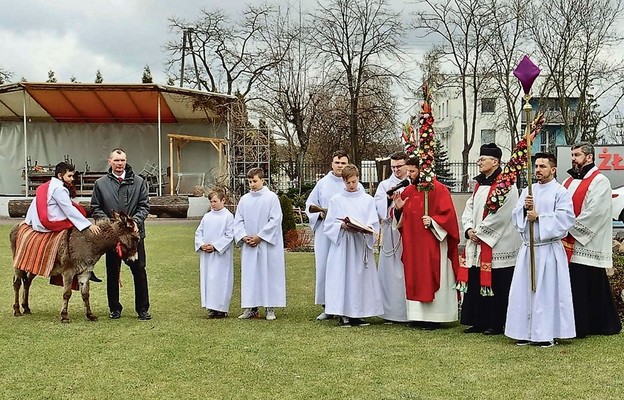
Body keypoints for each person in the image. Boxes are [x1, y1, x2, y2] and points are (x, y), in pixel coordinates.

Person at [505, 153, 576, 347]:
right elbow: (516, 218)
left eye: (542, 166)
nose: (538, 170)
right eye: (536, 166)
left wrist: (540, 217)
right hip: (529, 249)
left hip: (548, 250)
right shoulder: (529, 191)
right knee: (524, 291)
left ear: (553, 169)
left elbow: (566, 219)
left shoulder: (560, 192)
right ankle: (524, 331)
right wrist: (523, 210)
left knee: (546, 292)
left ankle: (546, 333)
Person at [459, 144, 520, 335]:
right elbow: (469, 207)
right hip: (477, 240)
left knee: (498, 283)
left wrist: (481, 232)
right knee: (476, 279)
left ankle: (495, 322)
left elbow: (502, 214)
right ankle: (478, 320)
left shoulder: (507, 185)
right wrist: (469, 229)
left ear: (495, 162)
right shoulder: (479, 183)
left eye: (482, 159)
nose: (479, 162)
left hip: (499, 242)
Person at [562, 142, 622, 337]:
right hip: (567, 242)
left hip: (587, 242)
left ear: (589, 157)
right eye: (572, 154)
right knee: (575, 285)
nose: (573, 158)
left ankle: (600, 325)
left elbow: (595, 212)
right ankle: (576, 325)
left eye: (577, 155)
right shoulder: (567, 182)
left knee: (591, 285)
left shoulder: (600, 181)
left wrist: (568, 228)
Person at [393, 157, 460, 330]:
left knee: (432, 273)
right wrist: (399, 210)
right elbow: (400, 222)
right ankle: (417, 316)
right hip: (414, 245)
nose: (409, 175)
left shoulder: (439, 189)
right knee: (415, 275)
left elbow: (449, 216)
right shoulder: (407, 191)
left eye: (413, 171)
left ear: (423, 171)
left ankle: (436, 316)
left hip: (433, 243)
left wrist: (434, 221)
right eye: (408, 171)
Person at [91, 148, 151, 321]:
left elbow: (144, 206)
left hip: (134, 237)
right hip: (113, 239)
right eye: (116, 161)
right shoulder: (100, 184)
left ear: (126, 161)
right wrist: (112, 226)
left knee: (139, 270)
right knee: (113, 271)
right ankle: (114, 308)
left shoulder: (139, 182)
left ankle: (142, 309)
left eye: (122, 160)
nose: (119, 164)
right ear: (110, 161)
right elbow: (96, 207)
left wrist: (133, 223)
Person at [305, 150, 363, 321]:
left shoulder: (354, 184)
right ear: (332, 164)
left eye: (343, 163)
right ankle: (327, 306)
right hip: (326, 232)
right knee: (324, 267)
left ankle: (346, 304)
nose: (340, 166)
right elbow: (310, 204)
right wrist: (320, 215)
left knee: (345, 268)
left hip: (347, 233)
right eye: (337, 163)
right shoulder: (322, 183)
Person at [323, 164, 382, 327]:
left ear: (358, 179)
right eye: (348, 182)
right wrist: (342, 226)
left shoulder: (367, 200)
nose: (351, 185)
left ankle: (359, 313)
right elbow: (329, 225)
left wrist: (367, 229)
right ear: (343, 181)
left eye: (354, 182)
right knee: (343, 278)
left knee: (359, 279)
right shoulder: (336, 200)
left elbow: (373, 222)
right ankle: (343, 314)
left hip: (360, 243)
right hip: (343, 245)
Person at [25, 161, 102, 281]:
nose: (72, 179)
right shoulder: (59, 189)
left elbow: (35, 204)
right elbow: (68, 209)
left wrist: (28, 221)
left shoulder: (48, 185)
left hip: (39, 220)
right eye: (69, 176)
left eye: (73, 176)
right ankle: (81, 265)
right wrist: (88, 225)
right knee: (79, 232)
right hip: (50, 221)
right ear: (60, 176)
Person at [233, 167, 286, 321]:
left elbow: (275, 220)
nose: (252, 184)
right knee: (251, 275)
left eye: (254, 181)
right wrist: (244, 237)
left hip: (267, 245)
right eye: (249, 181)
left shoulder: (271, 198)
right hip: (250, 244)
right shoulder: (245, 199)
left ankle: (270, 307)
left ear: (263, 180)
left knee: (268, 274)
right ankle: (251, 307)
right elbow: (239, 220)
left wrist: (260, 236)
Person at [374, 151, 409, 323]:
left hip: (409, 232)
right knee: (390, 272)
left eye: (399, 166)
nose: (395, 170)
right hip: (391, 233)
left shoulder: (412, 182)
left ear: (406, 165)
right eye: (393, 167)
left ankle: (409, 312)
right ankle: (390, 312)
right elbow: (378, 207)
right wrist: (389, 201)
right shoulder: (385, 185)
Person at [194, 189, 235, 319]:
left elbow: (230, 235)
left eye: (215, 201)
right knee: (208, 279)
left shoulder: (228, 217)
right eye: (211, 201)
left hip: (221, 256)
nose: (212, 204)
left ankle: (221, 308)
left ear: (223, 200)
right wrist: (201, 244)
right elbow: (198, 232)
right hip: (207, 254)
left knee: (221, 280)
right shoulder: (207, 216)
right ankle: (211, 307)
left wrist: (216, 246)